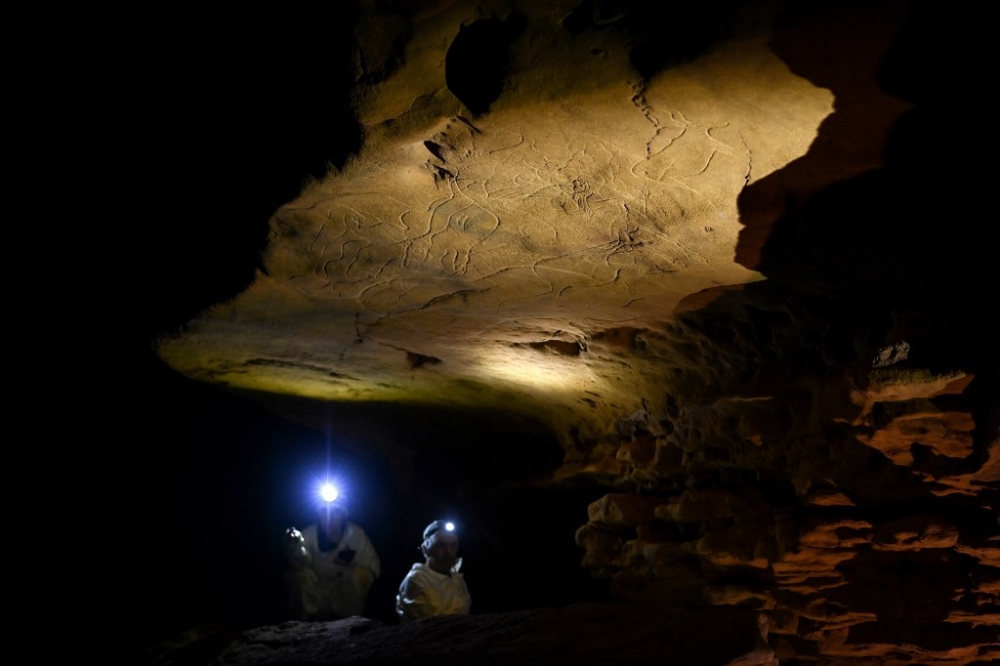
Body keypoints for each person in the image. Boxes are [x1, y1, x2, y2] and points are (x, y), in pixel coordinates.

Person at [285, 495, 380, 620]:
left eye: (336, 512)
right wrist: (295, 546)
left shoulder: (355, 533)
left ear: (344, 515)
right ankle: (304, 618)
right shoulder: (308, 534)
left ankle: (351, 618)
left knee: (358, 573)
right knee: (299, 575)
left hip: (343, 594)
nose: (330, 517)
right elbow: (299, 563)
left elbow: (372, 566)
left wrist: (350, 563)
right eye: (324, 512)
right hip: (317, 593)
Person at [396, 519, 471, 621]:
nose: (448, 552)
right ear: (425, 548)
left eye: (453, 545)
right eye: (440, 545)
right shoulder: (417, 579)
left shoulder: (457, 579)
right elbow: (437, 622)